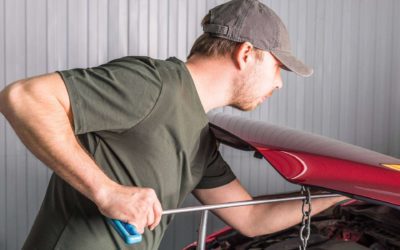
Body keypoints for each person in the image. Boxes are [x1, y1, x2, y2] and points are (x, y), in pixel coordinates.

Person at [0, 0, 348, 249]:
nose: (279, 84)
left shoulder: (200, 139)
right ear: (245, 54)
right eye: (277, 68)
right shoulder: (154, 83)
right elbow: (23, 97)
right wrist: (107, 191)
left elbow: (253, 218)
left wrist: (340, 193)